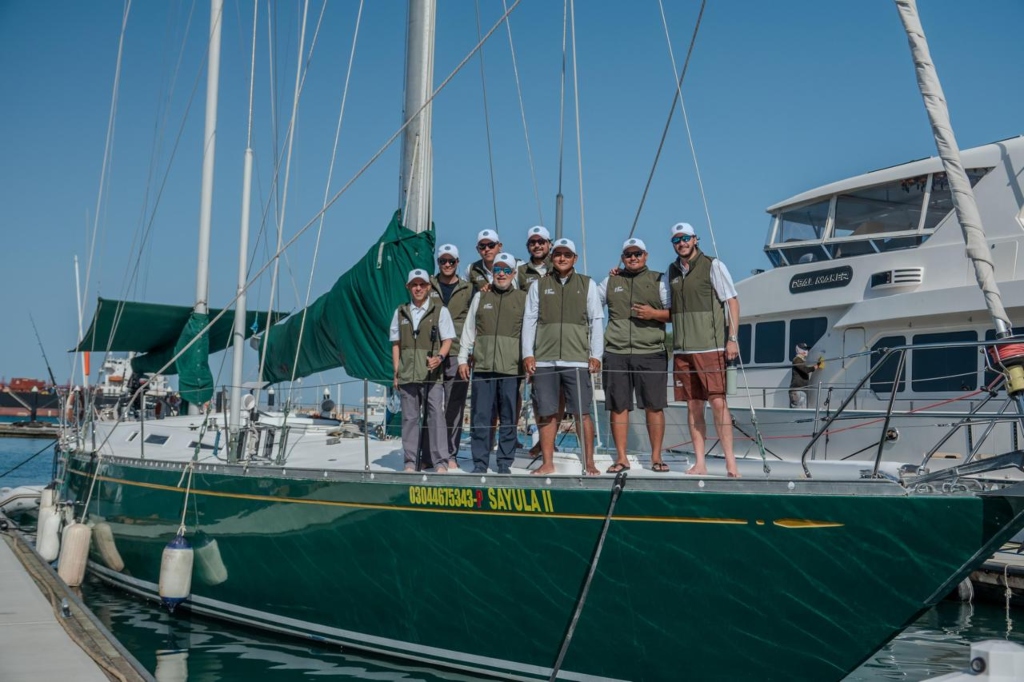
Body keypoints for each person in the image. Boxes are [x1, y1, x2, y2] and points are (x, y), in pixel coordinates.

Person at [522, 238, 604, 476]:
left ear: (574, 258)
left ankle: (589, 462)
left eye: (567, 255)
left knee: (582, 412)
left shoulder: (587, 284)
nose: (562, 258)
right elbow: (529, 320)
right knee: (547, 412)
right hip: (545, 359)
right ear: (552, 257)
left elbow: (596, 320)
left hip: (577, 359)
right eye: (558, 254)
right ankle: (547, 463)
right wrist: (528, 354)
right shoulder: (539, 285)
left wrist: (596, 354)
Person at [666, 222, 741, 478]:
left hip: (712, 346)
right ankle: (700, 462)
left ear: (695, 239)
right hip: (682, 351)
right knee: (693, 406)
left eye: (686, 238)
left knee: (719, 403)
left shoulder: (714, 265)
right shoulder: (671, 271)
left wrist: (733, 338)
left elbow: (731, 300)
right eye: (677, 240)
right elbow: (668, 308)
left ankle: (731, 463)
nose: (682, 243)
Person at [599, 238, 671, 473]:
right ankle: (621, 458)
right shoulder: (610, 280)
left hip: (651, 352)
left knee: (654, 406)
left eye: (637, 253)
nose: (633, 258)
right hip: (616, 352)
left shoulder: (659, 281)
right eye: (628, 254)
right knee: (618, 406)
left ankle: (657, 457)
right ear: (622, 258)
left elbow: (675, 313)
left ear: (646, 255)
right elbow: (590, 309)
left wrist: (653, 314)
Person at [458, 252, 526, 474]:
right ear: (492, 273)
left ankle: (504, 462)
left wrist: (528, 360)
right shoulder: (481, 297)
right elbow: (469, 330)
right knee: (481, 417)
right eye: (498, 270)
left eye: (507, 270)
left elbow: (530, 333)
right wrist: (462, 359)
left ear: (513, 273)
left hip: (511, 368)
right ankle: (480, 462)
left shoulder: (523, 299)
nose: (502, 274)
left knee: (509, 418)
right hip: (484, 367)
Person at [390, 269, 455, 472]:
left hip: (431, 375)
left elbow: (448, 340)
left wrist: (440, 358)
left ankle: (440, 461)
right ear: (408, 287)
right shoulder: (400, 312)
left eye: (422, 284)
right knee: (409, 418)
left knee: (436, 416)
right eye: (414, 285)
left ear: (428, 287)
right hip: (408, 373)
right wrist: (396, 371)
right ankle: (410, 460)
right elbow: (396, 344)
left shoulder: (440, 311)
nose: (418, 288)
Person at [430, 244, 473, 469]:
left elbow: (474, 322)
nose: (447, 265)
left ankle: (451, 454)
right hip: (432, 353)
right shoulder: (428, 286)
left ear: (457, 263)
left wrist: (470, 352)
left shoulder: (468, 289)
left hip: (457, 353)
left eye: (451, 261)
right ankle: (430, 454)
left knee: (454, 407)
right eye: (443, 261)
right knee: (432, 407)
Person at [517, 225, 552, 290]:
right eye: (532, 242)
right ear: (527, 246)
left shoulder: (560, 267)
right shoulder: (521, 271)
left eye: (541, 242)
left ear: (550, 245)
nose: (536, 245)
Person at [789, 342, 824, 408]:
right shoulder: (796, 359)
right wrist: (817, 365)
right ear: (798, 350)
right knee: (798, 413)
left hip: (801, 390)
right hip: (797, 390)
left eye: (806, 349)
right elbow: (805, 370)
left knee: (801, 411)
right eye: (803, 349)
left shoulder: (802, 360)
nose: (806, 351)